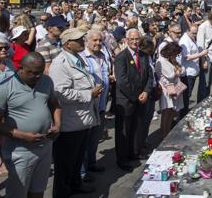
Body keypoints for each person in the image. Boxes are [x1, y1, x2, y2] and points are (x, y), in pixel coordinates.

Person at [0, 52, 61, 198]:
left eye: (40, 72)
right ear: (21, 68)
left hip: (44, 147)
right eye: (33, 73)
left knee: (38, 191)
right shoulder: (3, 89)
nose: (38, 76)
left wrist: (57, 125)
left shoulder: (46, 81)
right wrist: (22, 135)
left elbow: (54, 104)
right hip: (20, 152)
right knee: (18, 194)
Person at [49, 28, 99, 197]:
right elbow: (61, 92)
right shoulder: (60, 63)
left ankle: (75, 184)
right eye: (77, 40)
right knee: (65, 162)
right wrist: (89, 94)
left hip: (83, 119)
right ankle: (62, 192)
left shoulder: (77, 59)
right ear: (67, 44)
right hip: (70, 121)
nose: (81, 42)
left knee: (77, 159)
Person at [113, 28, 152, 171]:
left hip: (141, 99)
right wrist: (136, 96)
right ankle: (122, 160)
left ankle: (132, 153)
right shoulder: (121, 57)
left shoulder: (143, 55)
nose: (135, 42)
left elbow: (149, 75)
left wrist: (146, 92)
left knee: (135, 129)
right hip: (126, 100)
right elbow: (122, 81)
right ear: (126, 40)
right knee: (123, 131)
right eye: (132, 39)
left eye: (137, 39)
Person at [79, 30, 110, 180]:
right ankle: (82, 172)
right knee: (84, 140)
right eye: (95, 40)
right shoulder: (82, 57)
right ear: (87, 41)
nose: (98, 43)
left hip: (101, 104)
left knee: (95, 138)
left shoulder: (103, 55)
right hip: (89, 104)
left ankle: (91, 162)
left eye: (100, 41)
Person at [156, 42, 185, 138]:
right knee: (166, 112)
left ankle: (167, 133)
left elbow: (181, 69)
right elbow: (167, 75)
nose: (176, 56)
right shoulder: (161, 60)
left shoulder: (172, 60)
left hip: (175, 88)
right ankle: (163, 134)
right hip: (166, 89)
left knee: (172, 111)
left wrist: (178, 70)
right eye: (175, 53)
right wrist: (176, 73)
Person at [179, 25, 208, 114]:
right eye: (193, 33)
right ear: (188, 31)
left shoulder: (191, 37)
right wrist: (201, 54)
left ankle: (184, 112)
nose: (195, 35)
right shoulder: (184, 40)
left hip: (193, 71)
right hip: (188, 72)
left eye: (196, 33)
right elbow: (187, 57)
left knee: (188, 94)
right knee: (186, 95)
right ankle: (183, 114)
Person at [197, 11, 212, 100]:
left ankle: (206, 100)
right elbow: (200, 46)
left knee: (209, 82)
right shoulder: (203, 27)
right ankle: (201, 102)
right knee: (204, 83)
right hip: (206, 58)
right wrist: (203, 61)